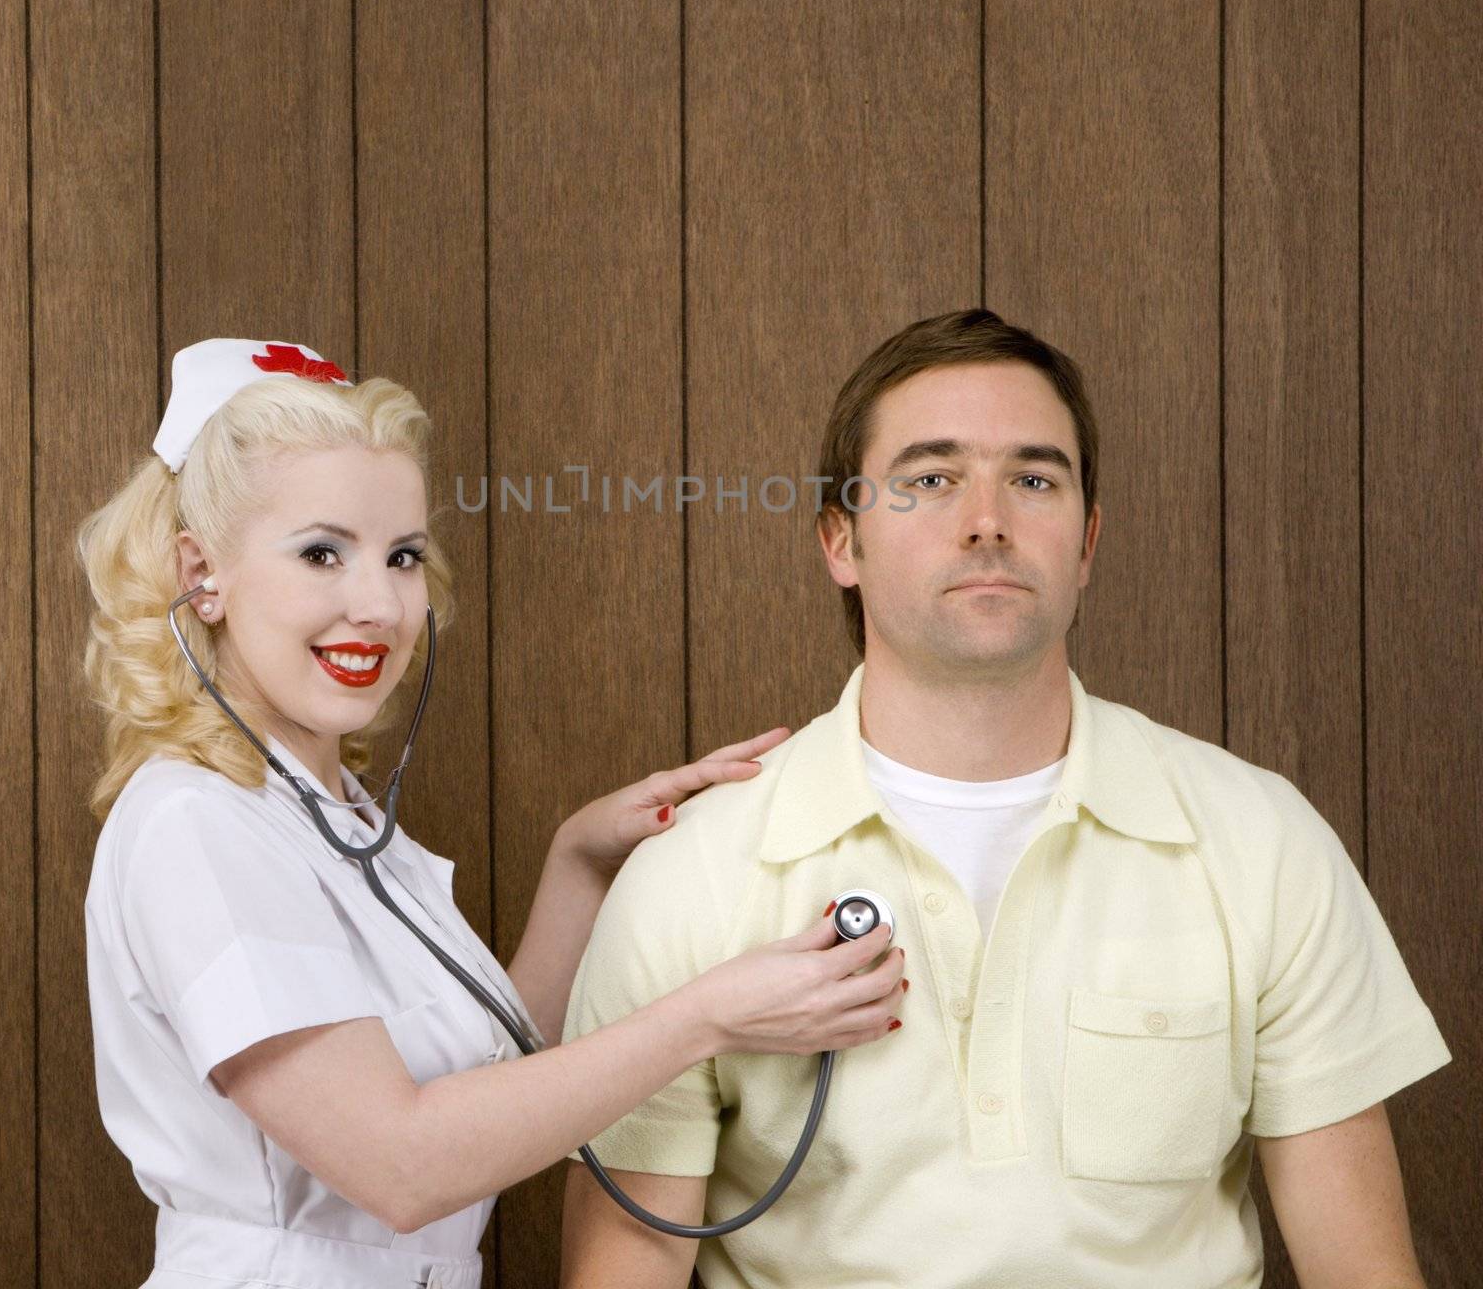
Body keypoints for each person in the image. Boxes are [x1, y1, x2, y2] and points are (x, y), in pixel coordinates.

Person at [559, 309, 1452, 1289]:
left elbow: (1363, 1274)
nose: (985, 519)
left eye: (1032, 479)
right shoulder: (696, 868)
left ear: (1086, 542)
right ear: (838, 539)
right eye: (931, 479)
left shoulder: (1259, 840)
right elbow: (623, 1264)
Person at [80, 337, 906, 1289]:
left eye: (402, 557)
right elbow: (404, 1164)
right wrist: (711, 1019)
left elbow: (487, 1090)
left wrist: (579, 865)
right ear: (201, 574)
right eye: (321, 553)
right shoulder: (196, 824)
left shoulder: (328, 818)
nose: (380, 606)